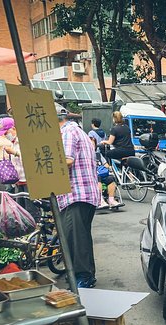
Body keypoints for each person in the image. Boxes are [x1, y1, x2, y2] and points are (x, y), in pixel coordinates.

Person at [56, 104, 101, 289]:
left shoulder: (67, 133)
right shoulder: (78, 131)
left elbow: (66, 160)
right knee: (80, 236)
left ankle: (83, 276)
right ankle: (84, 274)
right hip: (84, 193)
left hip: (77, 193)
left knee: (75, 237)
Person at [90, 134, 121, 209]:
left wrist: (108, 168)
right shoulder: (85, 155)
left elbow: (106, 165)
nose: (92, 146)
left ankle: (111, 200)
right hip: (92, 176)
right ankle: (100, 200)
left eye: (93, 145)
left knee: (111, 178)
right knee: (98, 178)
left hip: (101, 173)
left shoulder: (98, 155)